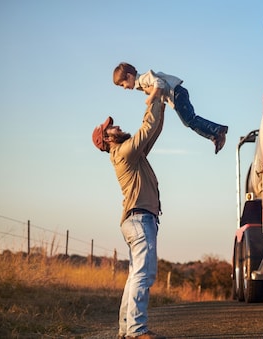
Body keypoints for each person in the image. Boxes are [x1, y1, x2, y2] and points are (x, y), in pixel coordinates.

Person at [92, 100, 166, 339]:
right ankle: (136, 330)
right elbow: (146, 127)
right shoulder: (124, 152)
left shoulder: (132, 154)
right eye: (111, 128)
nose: (117, 126)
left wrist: (161, 105)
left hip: (138, 220)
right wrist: (156, 95)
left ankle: (126, 328)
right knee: (144, 274)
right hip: (139, 220)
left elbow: (153, 129)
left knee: (136, 275)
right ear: (107, 139)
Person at [113, 62, 228, 154]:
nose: (124, 88)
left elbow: (159, 83)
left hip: (177, 93)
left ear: (129, 76)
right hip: (176, 95)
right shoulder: (142, 85)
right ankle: (215, 136)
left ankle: (217, 130)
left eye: (123, 84)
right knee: (189, 122)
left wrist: (151, 97)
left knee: (190, 120)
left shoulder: (143, 79)